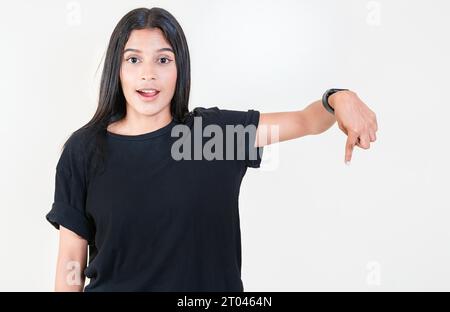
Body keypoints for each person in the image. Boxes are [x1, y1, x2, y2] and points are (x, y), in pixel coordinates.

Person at [46, 7, 378, 292]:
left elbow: (307, 121)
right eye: (133, 59)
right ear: (116, 70)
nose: (148, 74)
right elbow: (70, 264)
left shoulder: (212, 137)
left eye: (163, 59)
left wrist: (339, 98)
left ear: (180, 69)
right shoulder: (85, 150)